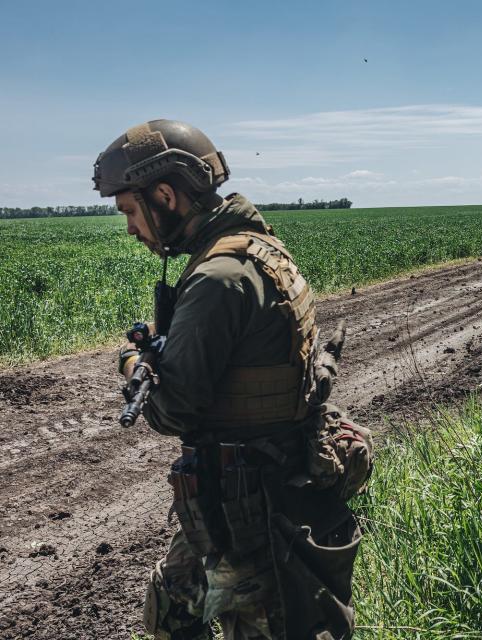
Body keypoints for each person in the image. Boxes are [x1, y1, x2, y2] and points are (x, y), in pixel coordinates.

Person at [93, 120, 372, 639]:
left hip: (253, 509)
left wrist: (130, 363)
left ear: (165, 195)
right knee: (172, 613)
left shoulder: (220, 276)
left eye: (130, 211)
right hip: (257, 488)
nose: (131, 228)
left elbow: (173, 405)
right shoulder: (258, 249)